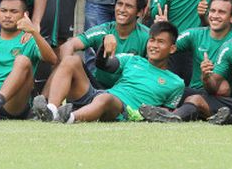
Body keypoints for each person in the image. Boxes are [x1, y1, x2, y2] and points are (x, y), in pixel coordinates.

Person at [43, 21, 185, 124]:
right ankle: (52, 110)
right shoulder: (133, 60)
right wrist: (105, 44)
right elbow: (104, 64)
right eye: (152, 40)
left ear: (172, 48)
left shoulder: (176, 83)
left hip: (122, 110)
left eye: (160, 42)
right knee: (70, 60)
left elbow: (166, 113)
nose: (154, 46)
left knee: (105, 98)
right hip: (99, 96)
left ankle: (68, 118)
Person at [138, 0, 232, 123]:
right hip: (192, 92)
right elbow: (168, 46)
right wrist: (164, 32)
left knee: (220, 89)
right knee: (169, 85)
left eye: (221, 12)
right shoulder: (195, 34)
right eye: (213, 11)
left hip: (222, 97)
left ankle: (169, 115)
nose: (215, 16)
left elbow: (225, 89)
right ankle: (160, 111)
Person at [57, 0, 150, 91]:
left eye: (128, 6)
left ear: (140, 12)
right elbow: (68, 45)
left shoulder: (147, 36)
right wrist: (65, 62)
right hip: (97, 87)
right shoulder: (103, 30)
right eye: (119, 4)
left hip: (128, 92)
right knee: (71, 61)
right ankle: (49, 105)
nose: (122, 9)